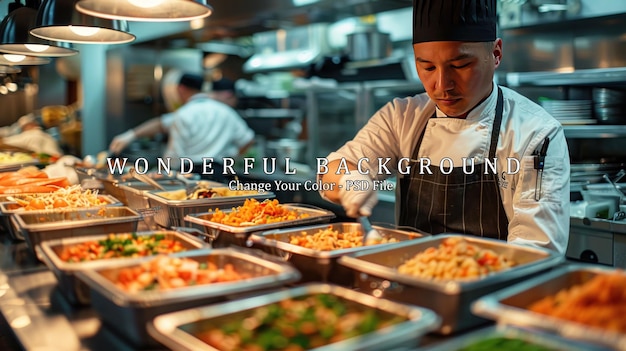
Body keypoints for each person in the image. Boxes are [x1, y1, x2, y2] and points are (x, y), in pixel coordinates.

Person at [319, 0, 570, 254]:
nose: (441, 85)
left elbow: (536, 251)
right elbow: (331, 171)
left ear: (495, 54)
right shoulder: (402, 117)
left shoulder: (537, 133)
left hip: (494, 284)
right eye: (427, 67)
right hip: (407, 276)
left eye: (460, 66)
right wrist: (350, 181)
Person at [109, 74, 255, 182]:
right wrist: (231, 156)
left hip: (190, 176)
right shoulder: (226, 111)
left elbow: (174, 156)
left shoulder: (183, 114)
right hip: (219, 174)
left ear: (181, 89)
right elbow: (248, 139)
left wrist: (158, 173)